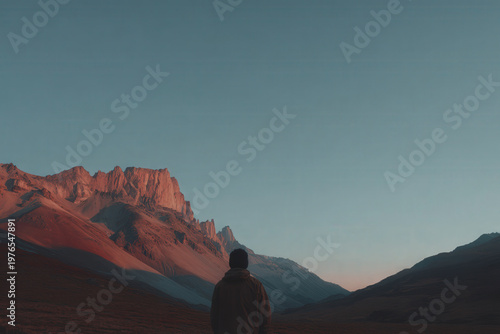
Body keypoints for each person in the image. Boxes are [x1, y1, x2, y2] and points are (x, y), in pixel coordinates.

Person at [211, 248, 272, 334]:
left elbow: (214, 316)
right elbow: (265, 315)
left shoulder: (220, 286)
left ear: (230, 263)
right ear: (246, 263)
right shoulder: (256, 285)